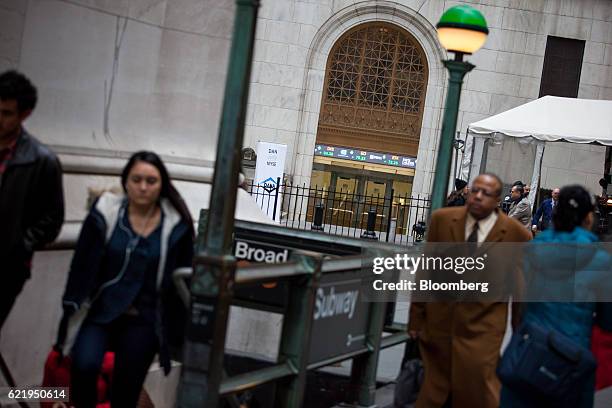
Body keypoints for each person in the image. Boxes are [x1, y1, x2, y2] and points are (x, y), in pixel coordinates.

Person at [60, 151, 194, 407]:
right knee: (84, 365)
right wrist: (70, 307)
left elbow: (183, 277)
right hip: (100, 311)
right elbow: (81, 264)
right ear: (126, 181)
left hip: (144, 318)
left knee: (126, 388)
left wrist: (176, 329)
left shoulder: (176, 224)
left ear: (162, 184)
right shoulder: (106, 214)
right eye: (137, 179)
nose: (143, 187)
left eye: (151, 181)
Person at [408, 173, 532, 408]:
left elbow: (520, 290)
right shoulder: (443, 220)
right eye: (474, 190)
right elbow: (425, 270)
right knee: (435, 389)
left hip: (483, 329)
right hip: (440, 322)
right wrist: (416, 316)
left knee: (476, 390)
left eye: (485, 193)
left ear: (498, 200)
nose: (477, 197)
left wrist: (518, 331)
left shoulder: (517, 235)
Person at [500, 185, 612, 407]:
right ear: (588, 218)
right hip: (572, 360)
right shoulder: (602, 261)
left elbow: (519, 305)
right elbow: (607, 321)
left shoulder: (530, 252)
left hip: (528, 352)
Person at [0, 70, 64, 329]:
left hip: (5, 268)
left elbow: (52, 220)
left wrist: (19, 244)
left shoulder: (41, 161)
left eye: (6, 113)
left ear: (24, 114)